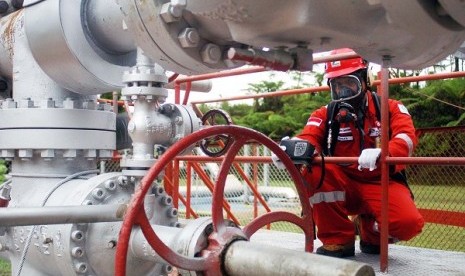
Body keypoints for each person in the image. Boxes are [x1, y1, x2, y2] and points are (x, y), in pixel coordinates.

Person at [273, 48, 424, 258]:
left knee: (408, 225)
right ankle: (338, 239)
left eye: (349, 84)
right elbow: (310, 137)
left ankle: (370, 230)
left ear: (365, 80)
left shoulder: (390, 108)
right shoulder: (324, 114)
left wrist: (383, 153)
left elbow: (406, 138)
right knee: (314, 168)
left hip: (381, 181)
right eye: (337, 86)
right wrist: (289, 151)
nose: (343, 92)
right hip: (342, 182)